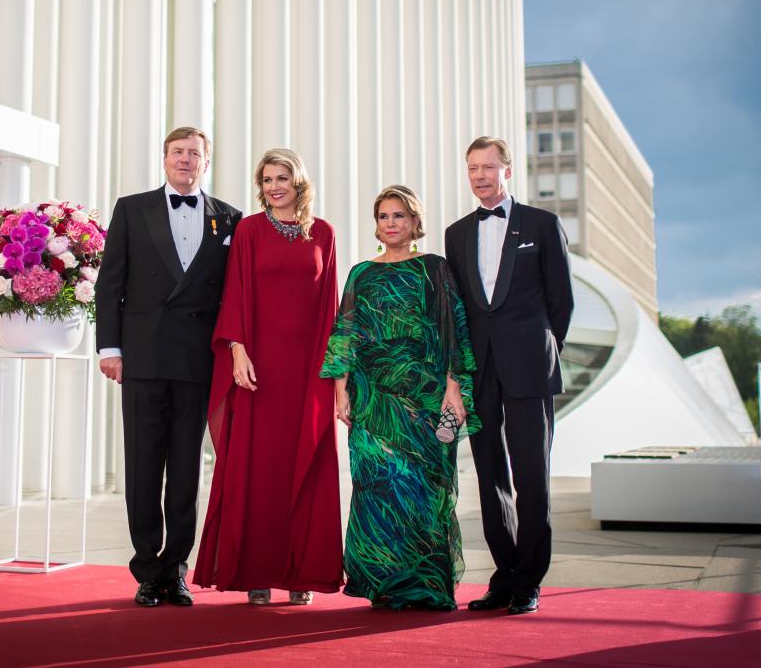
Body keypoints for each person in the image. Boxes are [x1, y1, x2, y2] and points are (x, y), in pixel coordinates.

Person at [95, 126, 242, 608]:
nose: (185, 160)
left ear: (207, 161)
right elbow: (109, 284)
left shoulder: (230, 219)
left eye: (194, 153)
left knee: (185, 470)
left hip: (198, 358)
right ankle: (146, 568)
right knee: (142, 466)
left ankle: (177, 568)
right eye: (177, 152)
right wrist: (108, 348)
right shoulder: (131, 209)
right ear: (164, 159)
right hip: (142, 357)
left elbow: (235, 294)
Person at [193, 148, 342, 606]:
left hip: (307, 370)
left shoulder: (324, 232)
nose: (274, 186)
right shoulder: (249, 231)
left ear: (299, 181)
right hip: (258, 369)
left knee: (307, 462)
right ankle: (256, 570)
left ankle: (302, 572)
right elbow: (234, 292)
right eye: (267, 179)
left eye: (282, 177)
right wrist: (237, 350)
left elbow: (330, 308)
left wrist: (334, 373)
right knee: (258, 469)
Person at [321, 184, 478, 609]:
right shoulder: (361, 273)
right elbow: (345, 334)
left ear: (414, 222)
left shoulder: (434, 268)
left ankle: (425, 586)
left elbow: (453, 330)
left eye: (399, 216)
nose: (391, 224)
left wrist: (453, 388)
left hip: (424, 397)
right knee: (377, 488)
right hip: (372, 397)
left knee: (425, 490)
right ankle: (386, 585)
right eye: (384, 217)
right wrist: (341, 390)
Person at [443, 137, 574, 615]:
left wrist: (540, 349)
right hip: (480, 370)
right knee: (490, 476)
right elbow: (459, 309)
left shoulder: (543, 225)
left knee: (532, 478)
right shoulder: (456, 234)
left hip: (529, 367)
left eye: (488, 167)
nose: (479, 176)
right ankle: (504, 576)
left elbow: (561, 302)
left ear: (508, 171)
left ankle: (530, 581)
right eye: (472, 168)